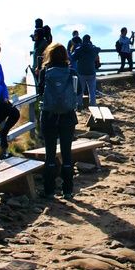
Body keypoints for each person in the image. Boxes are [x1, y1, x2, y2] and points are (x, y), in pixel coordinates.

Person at [36, 43, 78, 199]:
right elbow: (78, 91)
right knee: (67, 154)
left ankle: (49, 191)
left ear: (50, 55)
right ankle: (68, 190)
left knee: (50, 154)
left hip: (49, 116)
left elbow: (40, 91)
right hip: (68, 116)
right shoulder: (71, 72)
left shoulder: (45, 72)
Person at [69, 34, 100, 107]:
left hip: (81, 72)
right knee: (92, 90)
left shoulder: (79, 49)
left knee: (80, 90)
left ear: (83, 40)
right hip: (91, 71)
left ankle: (79, 105)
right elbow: (99, 49)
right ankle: (93, 104)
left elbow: (72, 58)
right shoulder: (93, 48)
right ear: (89, 40)